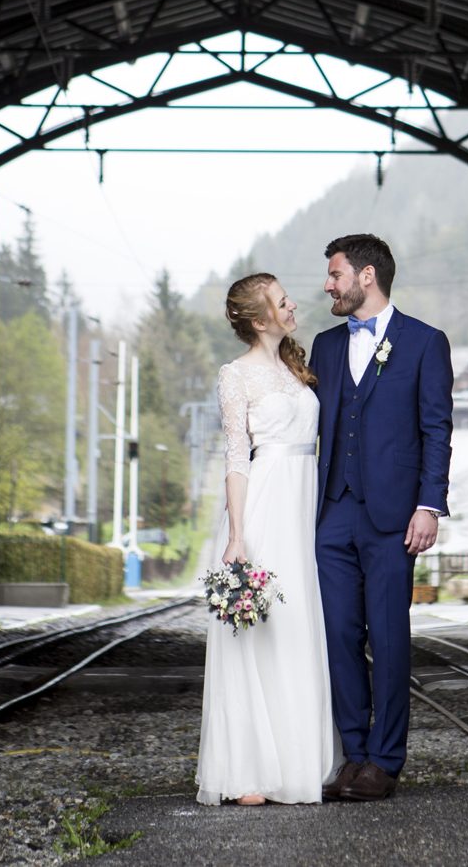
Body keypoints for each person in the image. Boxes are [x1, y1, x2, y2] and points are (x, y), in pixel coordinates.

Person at [312, 233, 453, 802]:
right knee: (338, 635)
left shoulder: (424, 342)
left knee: (390, 638)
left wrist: (429, 505)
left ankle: (384, 760)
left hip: (394, 517)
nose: (328, 285)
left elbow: (436, 429)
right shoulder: (323, 346)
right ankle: (353, 754)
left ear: (366, 276)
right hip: (332, 515)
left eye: (335, 274)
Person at [196, 273, 339, 806]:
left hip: (305, 505)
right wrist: (237, 535)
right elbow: (237, 458)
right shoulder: (235, 376)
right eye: (282, 301)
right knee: (262, 632)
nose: (293, 304)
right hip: (266, 506)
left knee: (300, 628)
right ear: (259, 320)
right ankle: (249, 770)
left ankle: (298, 763)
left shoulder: (298, 367)